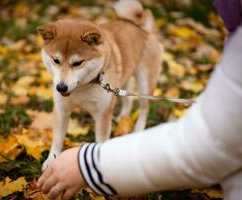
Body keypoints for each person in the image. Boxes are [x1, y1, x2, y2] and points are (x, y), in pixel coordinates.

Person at [36, 1, 242, 200]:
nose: (62, 79)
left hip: (144, 46)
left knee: (130, 97)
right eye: (56, 62)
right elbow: (61, 113)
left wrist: (96, 161)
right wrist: (54, 153)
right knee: (62, 109)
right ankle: (56, 151)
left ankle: (141, 116)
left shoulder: (95, 47)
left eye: (76, 64)